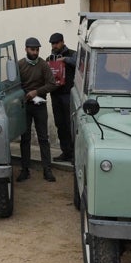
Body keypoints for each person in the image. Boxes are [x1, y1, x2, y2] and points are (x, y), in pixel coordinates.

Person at [17, 37, 56, 183]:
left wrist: (36, 92)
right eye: (32, 49)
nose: (35, 52)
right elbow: (14, 85)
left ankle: (47, 169)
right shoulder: (19, 65)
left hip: (40, 105)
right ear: (26, 49)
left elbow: (52, 84)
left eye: (37, 50)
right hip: (25, 106)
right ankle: (25, 170)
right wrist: (23, 94)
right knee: (25, 139)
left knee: (43, 138)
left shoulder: (43, 65)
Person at [47, 33, 76, 165]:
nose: (54, 46)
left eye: (57, 43)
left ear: (63, 42)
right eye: (53, 44)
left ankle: (75, 154)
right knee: (60, 125)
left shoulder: (72, 54)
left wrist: (65, 60)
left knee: (71, 125)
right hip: (55, 95)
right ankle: (66, 152)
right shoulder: (50, 58)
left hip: (69, 95)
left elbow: (79, 63)